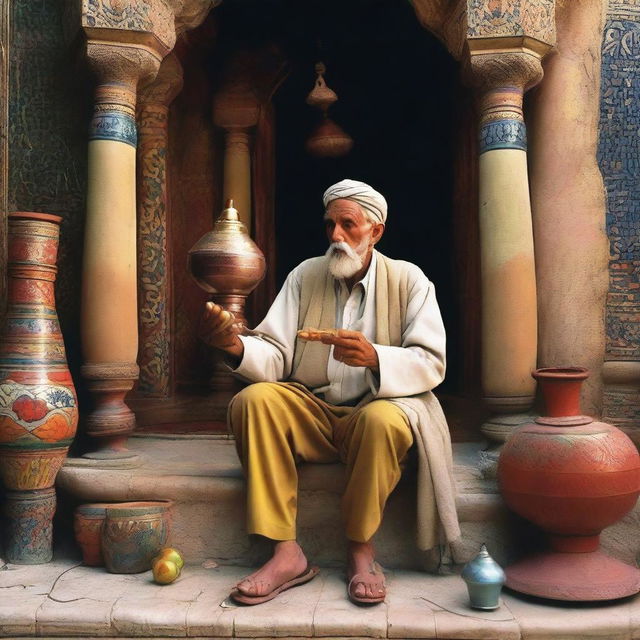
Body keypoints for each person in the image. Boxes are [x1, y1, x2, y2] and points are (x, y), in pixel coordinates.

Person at [201, 179, 460, 606]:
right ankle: (286, 552)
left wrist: (376, 358)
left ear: (376, 231)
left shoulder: (410, 280)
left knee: (384, 420)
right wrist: (233, 344)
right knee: (253, 401)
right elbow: (275, 354)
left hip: (375, 409)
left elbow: (432, 361)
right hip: (312, 411)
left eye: (349, 225)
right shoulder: (306, 275)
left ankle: (361, 551)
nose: (336, 236)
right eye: (330, 225)